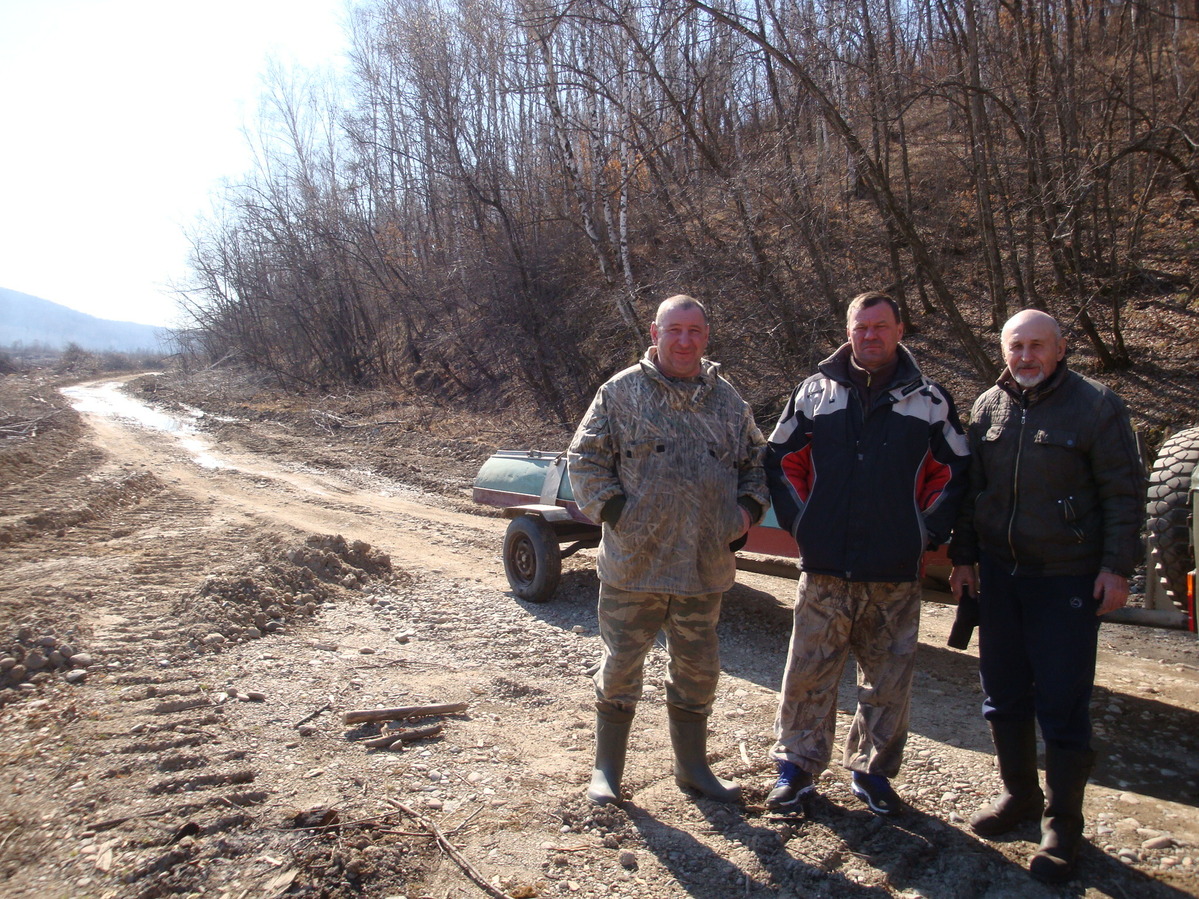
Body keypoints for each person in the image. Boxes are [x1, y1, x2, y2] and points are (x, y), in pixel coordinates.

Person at [948, 309, 1143, 882]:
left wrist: (1116, 567)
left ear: (1060, 349)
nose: (1026, 357)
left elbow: (1124, 495)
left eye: (1037, 346)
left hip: (1067, 580)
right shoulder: (989, 406)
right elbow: (970, 491)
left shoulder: (1096, 407)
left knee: (1061, 703)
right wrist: (963, 558)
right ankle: (1020, 800)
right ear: (1004, 351)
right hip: (1001, 577)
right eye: (1016, 347)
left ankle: (1063, 825)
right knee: (1002, 693)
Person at [764, 291, 969, 817]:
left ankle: (872, 773)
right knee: (808, 673)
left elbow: (955, 473)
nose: (869, 336)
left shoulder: (929, 400)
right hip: (826, 568)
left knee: (887, 682)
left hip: (894, 573)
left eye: (880, 326)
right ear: (848, 330)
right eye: (860, 327)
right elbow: (781, 457)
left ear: (900, 329)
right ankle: (796, 769)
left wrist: (921, 534)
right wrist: (803, 524)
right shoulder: (813, 394)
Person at [567, 294, 769, 805]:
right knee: (620, 666)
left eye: (694, 331)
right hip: (634, 565)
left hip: (704, 566)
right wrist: (619, 516)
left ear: (706, 336)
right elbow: (584, 461)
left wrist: (742, 516)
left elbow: (756, 464)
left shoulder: (728, 400)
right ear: (654, 334)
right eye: (673, 330)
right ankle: (607, 771)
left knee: (699, 671)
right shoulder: (620, 392)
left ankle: (693, 768)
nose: (684, 341)